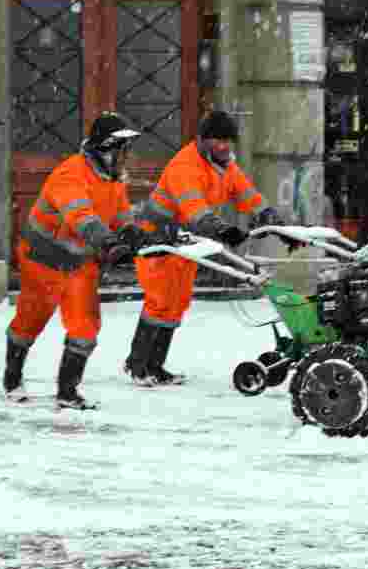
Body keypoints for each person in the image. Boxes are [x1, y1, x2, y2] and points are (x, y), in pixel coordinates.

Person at [125, 109, 296, 387]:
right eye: (218, 140)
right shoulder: (185, 166)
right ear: (202, 140)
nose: (224, 146)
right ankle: (137, 364)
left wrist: (271, 220)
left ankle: (155, 366)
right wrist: (223, 230)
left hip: (185, 239)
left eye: (228, 140)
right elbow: (195, 210)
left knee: (177, 301)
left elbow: (247, 194)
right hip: (156, 237)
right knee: (159, 300)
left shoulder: (226, 166)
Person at [4, 112, 144, 410]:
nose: (126, 157)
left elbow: (120, 212)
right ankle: (12, 376)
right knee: (32, 318)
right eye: (122, 150)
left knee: (85, 326)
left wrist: (131, 232)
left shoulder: (112, 178)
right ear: (106, 149)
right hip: (44, 259)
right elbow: (82, 217)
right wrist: (107, 242)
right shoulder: (70, 174)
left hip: (80, 261)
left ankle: (67, 391)